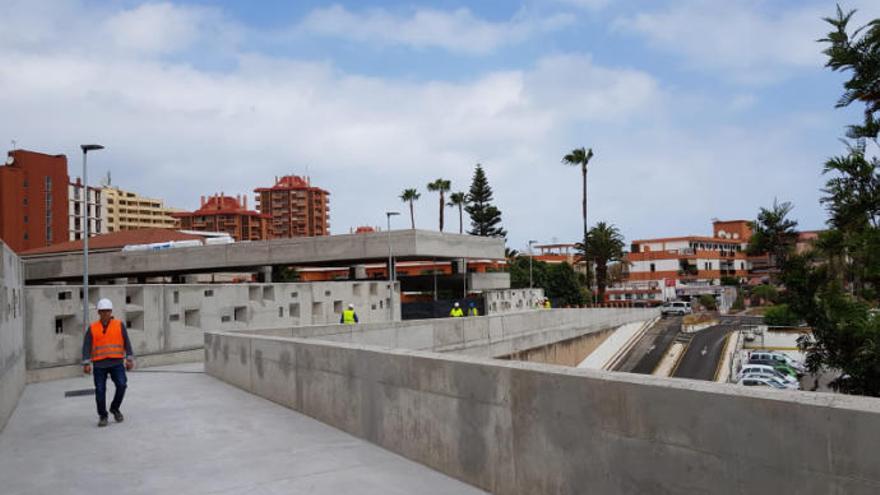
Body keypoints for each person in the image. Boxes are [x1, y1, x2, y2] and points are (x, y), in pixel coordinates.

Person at [82, 298, 134, 428]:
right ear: (98, 312)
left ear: (111, 312)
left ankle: (115, 408)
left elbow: (127, 341)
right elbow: (86, 346)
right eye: (102, 311)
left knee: (122, 385)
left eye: (107, 311)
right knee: (100, 390)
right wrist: (86, 363)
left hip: (116, 362)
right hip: (99, 365)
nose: (105, 313)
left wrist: (129, 359)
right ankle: (103, 415)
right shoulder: (93, 328)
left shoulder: (119, 325)